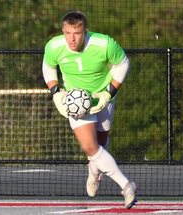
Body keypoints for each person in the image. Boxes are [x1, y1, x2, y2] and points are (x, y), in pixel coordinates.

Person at [42, 11, 137, 209]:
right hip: (77, 102)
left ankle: (94, 171)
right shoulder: (54, 46)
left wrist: (108, 93)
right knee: (89, 146)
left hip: (103, 97)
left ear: (85, 31)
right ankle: (127, 186)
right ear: (63, 31)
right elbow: (48, 66)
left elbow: (123, 63)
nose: (72, 39)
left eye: (76, 33)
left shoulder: (105, 44)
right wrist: (56, 92)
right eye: (68, 33)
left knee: (100, 144)